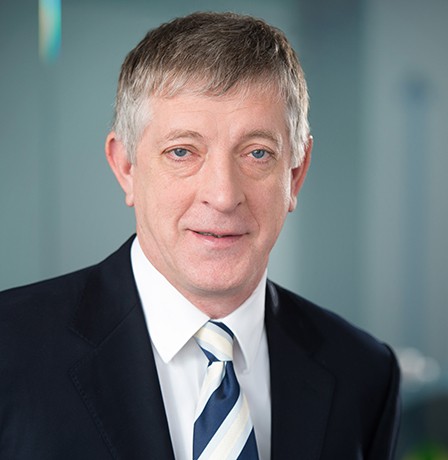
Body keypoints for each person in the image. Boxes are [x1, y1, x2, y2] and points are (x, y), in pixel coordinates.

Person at [0, 11, 400, 460]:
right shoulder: (10, 349)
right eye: (182, 151)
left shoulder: (365, 373)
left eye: (257, 153)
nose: (223, 196)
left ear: (296, 173)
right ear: (126, 167)